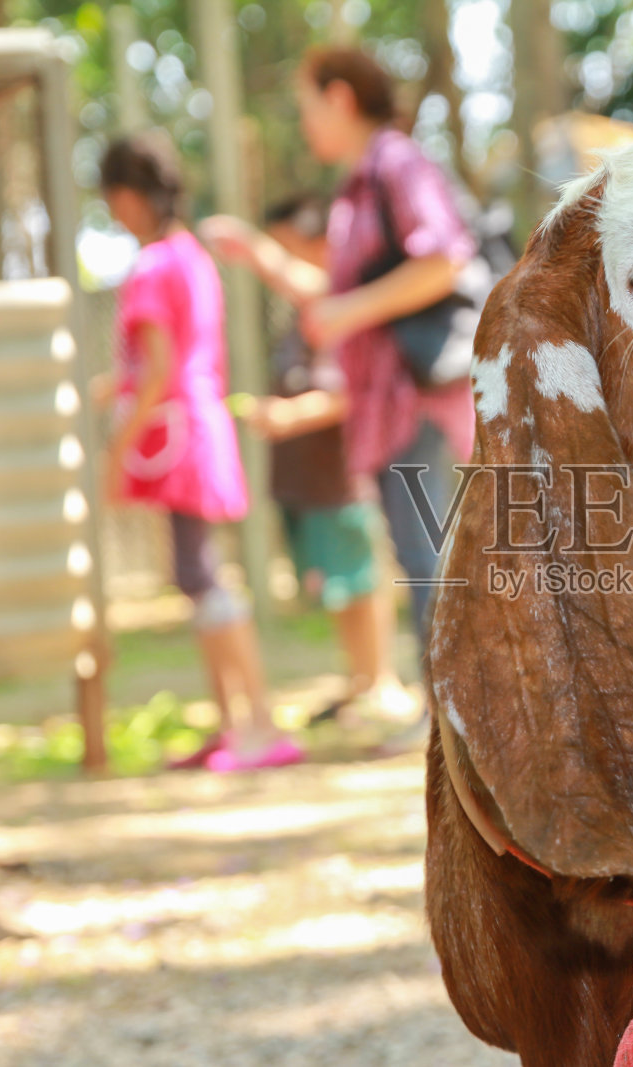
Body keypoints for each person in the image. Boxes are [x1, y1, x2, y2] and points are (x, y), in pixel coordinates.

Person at [200, 45, 476, 655]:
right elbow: (342, 295)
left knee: (433, 565)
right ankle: (447, 720)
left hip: (416, 396)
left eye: (307, 107)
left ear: (339, 97)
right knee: (418, 560)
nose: (304, 124)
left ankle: (461, 727)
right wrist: (261, 257)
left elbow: (443, 259)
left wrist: (349, 310)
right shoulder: (359, 183)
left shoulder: (395, 164)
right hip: (385, 405)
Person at [98, 131, 302, 772]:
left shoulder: (153, 264)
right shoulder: (190, 256)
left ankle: (260, 726)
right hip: (199, 429)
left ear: (126, 198)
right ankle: (231, 726)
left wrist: (116, 449)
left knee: (206, 577)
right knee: (197, 573)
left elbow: (158, 367)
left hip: (174, 437)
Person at [249, 194, 413, 724]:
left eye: (288, 251)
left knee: (364, 579)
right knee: (339, 586)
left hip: (345, 475)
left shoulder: (345, 309)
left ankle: (383, 681)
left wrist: (291, 416)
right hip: (309, 478)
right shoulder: (305, 319)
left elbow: (348, 394)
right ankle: (360, 680)